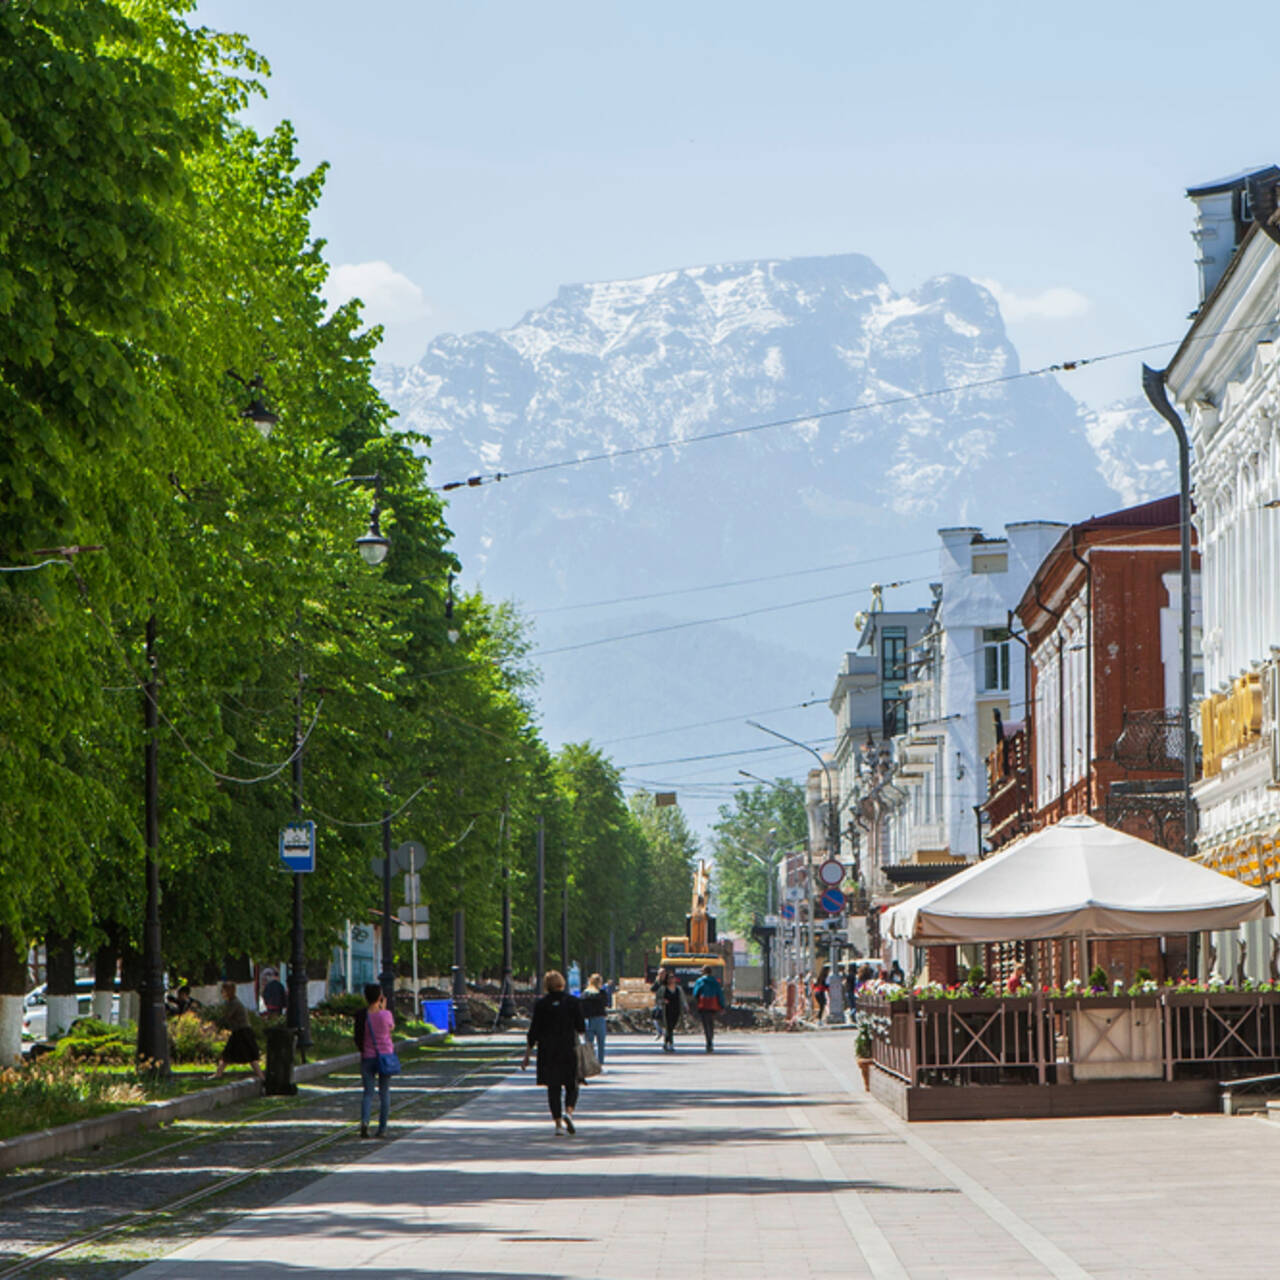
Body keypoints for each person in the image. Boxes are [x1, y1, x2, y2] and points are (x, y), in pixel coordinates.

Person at [523, 970, 585, 1135]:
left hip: (548, 1051)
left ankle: (558, 1125)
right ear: (562, 983)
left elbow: (533, 1031)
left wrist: (527, 1055)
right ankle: (569, 1112)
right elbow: (581, 1027)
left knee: (553, 1088)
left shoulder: (541, 1005)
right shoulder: (573, 1002)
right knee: (572, 1084)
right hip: (568, 1049)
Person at [355, 982, 395, 1139]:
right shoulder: (386, 1015)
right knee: (384, 1092)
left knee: (368, 1093)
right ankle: (382, 1128)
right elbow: (391, 1028)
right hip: (385, 1057)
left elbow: (357, 1035)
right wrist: (383, 1009)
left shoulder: (362, 1015)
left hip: (367, 1057)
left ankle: (365, 1121)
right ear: (380, 997)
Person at [214, 981, 261, 1083]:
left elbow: (226, 1017)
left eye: (223, 991)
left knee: (249, 1056)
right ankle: (218, 1073)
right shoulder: (232, 1002)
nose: (222, 993)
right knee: (228, 1053)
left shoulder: (234, 1003)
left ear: (228, 991)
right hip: (239, 1031)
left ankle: (261, 1076)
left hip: (242, 1032)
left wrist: (215, 1025)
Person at [691, 964, 725, 1052]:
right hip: (713, 1005)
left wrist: (697, 1002)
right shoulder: (715, 981)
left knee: (705, 1024)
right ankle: (711, 1039)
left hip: (703, 1005)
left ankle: (708, 1041)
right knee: (711, 1023)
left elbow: (695, 993)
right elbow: (720, 994)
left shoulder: (700, 981)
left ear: (703, 972)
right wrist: (722, 1006)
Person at [580, 972, 609, 1068]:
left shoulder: (585, 994)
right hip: (600, 1019)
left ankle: (590, 1064)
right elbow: (606, 1004)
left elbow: (581, 1007)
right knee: (601, 1044)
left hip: (588, 1020)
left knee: (589, 1044)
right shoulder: (602, 993)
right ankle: (600, 1063)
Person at [660, 970, 687, 1052]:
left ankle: (665, 1042)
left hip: (676, 1010)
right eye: (670, 978)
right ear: (667, 980)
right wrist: (663, 1001)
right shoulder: (663, 989)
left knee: (672, 1026)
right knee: (669, 1027)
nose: (671, 980)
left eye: (673, 978)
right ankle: (670, 1044)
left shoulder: (678, 989)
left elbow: (682, 998)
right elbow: (658, 998)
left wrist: (685, 1005)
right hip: (667, 1010)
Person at [650, 966, 669, 1040]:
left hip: (666, 1002)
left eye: (663, 973)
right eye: (660, 973)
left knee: (666, 1019)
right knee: (655, 1017)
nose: (662, 975)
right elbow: (652, 989)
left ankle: (666, 1034)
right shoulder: (657, 982)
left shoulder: (668, 982)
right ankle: (659, 1031)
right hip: (658, 1002)